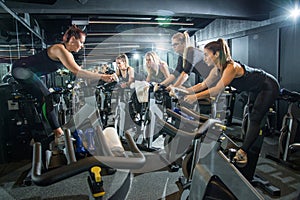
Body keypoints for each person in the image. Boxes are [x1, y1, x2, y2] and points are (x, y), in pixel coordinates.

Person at [11, 25, 114, 144]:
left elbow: (80, 71)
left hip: (29, 72)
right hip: (21, 69)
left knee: (47, 98)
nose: (82, 46)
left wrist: (100, 75)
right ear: (73, 39)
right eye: (81, 42)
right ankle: (58, 133)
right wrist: (103, 77)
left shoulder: (68, 54)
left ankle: (43, 133)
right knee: (47, 97)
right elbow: (77, 71)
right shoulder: (60, 49)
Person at [184, 38, 280, 166]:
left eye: (206, 55)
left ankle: (243, 152)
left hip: (268, 86)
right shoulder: (217, 69)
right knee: (251, 116)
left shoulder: (230, 67)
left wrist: (195, 97)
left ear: (216, 54)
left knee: (256, 117)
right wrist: (185, 91)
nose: (204, 58)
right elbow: (203, 85)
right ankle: (248, 146)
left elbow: (217, 89)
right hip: (255, 89)